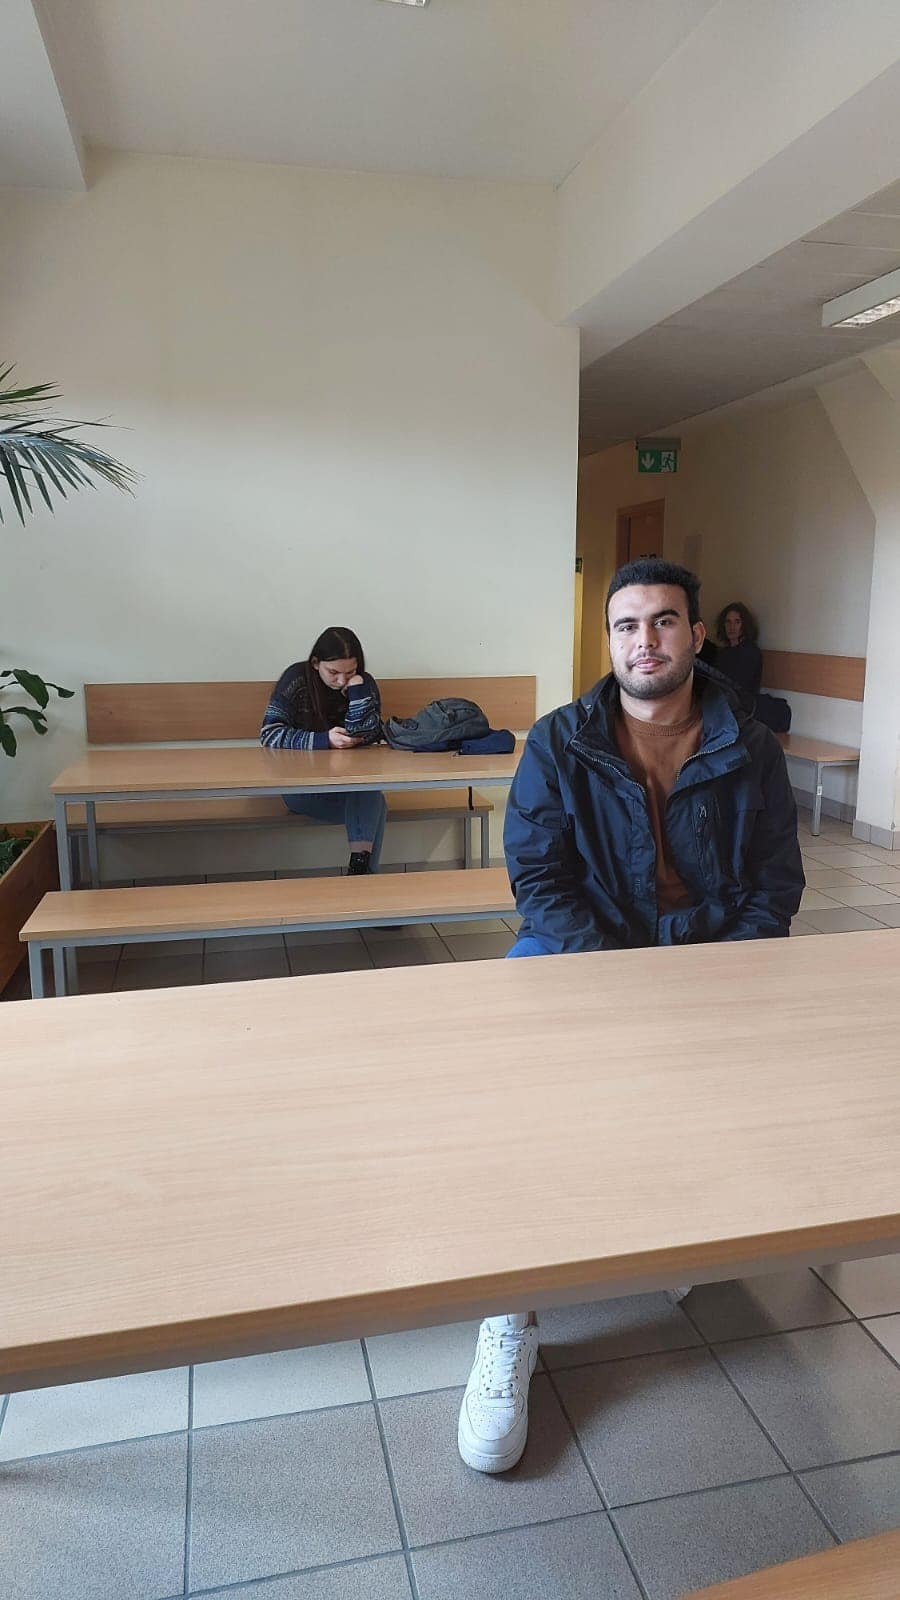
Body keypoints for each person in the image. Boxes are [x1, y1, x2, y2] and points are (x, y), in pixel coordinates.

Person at [457, 558, 804, 1475]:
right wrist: (617, 977)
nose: (644, 641)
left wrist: (719, 974)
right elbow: (540, 879)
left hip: (710, 950)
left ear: (696, 634)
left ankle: (671, 1221)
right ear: (608, 640)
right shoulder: (561, 741)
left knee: (752, 1071)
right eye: (626, 625)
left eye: (663, 621)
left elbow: (777, 882)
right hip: (585, 944)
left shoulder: (751, 744)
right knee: (515, 1092)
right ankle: (511, 1310)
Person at [260, 626, 386, 874]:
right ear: (316, 663)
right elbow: (269, 734)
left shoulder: (362, 684)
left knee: (370, 792)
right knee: (375, 803)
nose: (341, 680)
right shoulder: (296, 679)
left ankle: (360, 871)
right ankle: (364, 875)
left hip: (349, 784)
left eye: (350, 672)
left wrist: (357, 693)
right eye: (333, 672)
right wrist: (323, 740)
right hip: (301, 787)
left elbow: (371, 734)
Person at [714, 600, 763, 695]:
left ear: (744, 625)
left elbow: (739, 685)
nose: (731, 627)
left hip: (740, 701)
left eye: (737, 622)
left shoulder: (751, 652)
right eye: (728, 622)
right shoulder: (723, 653)